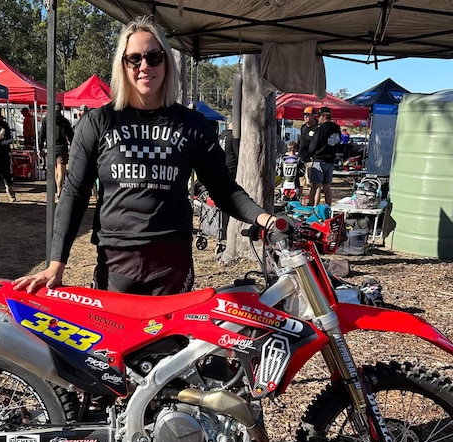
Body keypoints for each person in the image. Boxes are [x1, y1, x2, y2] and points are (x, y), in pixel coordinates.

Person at [14, 16, 272, 296]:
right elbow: (74, 195)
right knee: (114, 342)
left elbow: (223, 189)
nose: (144, 66)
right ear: (122, 65)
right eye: (134, 59)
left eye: (154, 57)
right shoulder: (98, 122)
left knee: (173, 342)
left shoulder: (193, 125)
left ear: (166, 62)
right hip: (116, 265)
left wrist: (264, 219)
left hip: (173, 266)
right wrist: (56, 264)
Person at [306, 107, 341, 207]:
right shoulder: (337, 128)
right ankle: (328, 208)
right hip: (330, 161)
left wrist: (311, 154)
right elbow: (338, 143)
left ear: (324, 116)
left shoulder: (321, 129)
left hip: (319, 160)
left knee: (316, 187)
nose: (318, 118)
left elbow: (313, 144)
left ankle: (314, 209)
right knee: (327, 188)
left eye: (319, 116)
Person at [39, 102, 75, 197]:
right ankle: (59, 190)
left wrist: (40, 148)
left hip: (50, 148)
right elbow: (71, 136)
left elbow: (41, 135)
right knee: (61, 172)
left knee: (56, 171)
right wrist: (73, 147)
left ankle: (58, 189)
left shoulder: (46, 120)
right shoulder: (65, 121)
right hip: (62, 148)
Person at [298, 106, 318, 205]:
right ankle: (299, 202)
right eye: (304, 115)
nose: (305, 117)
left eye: (308, 115)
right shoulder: (303, 127)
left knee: (310, 182)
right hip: (301, 159)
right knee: (300, 182)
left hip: (311, 160)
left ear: (313, 116)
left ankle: (311, 203)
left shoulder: (317, 128)